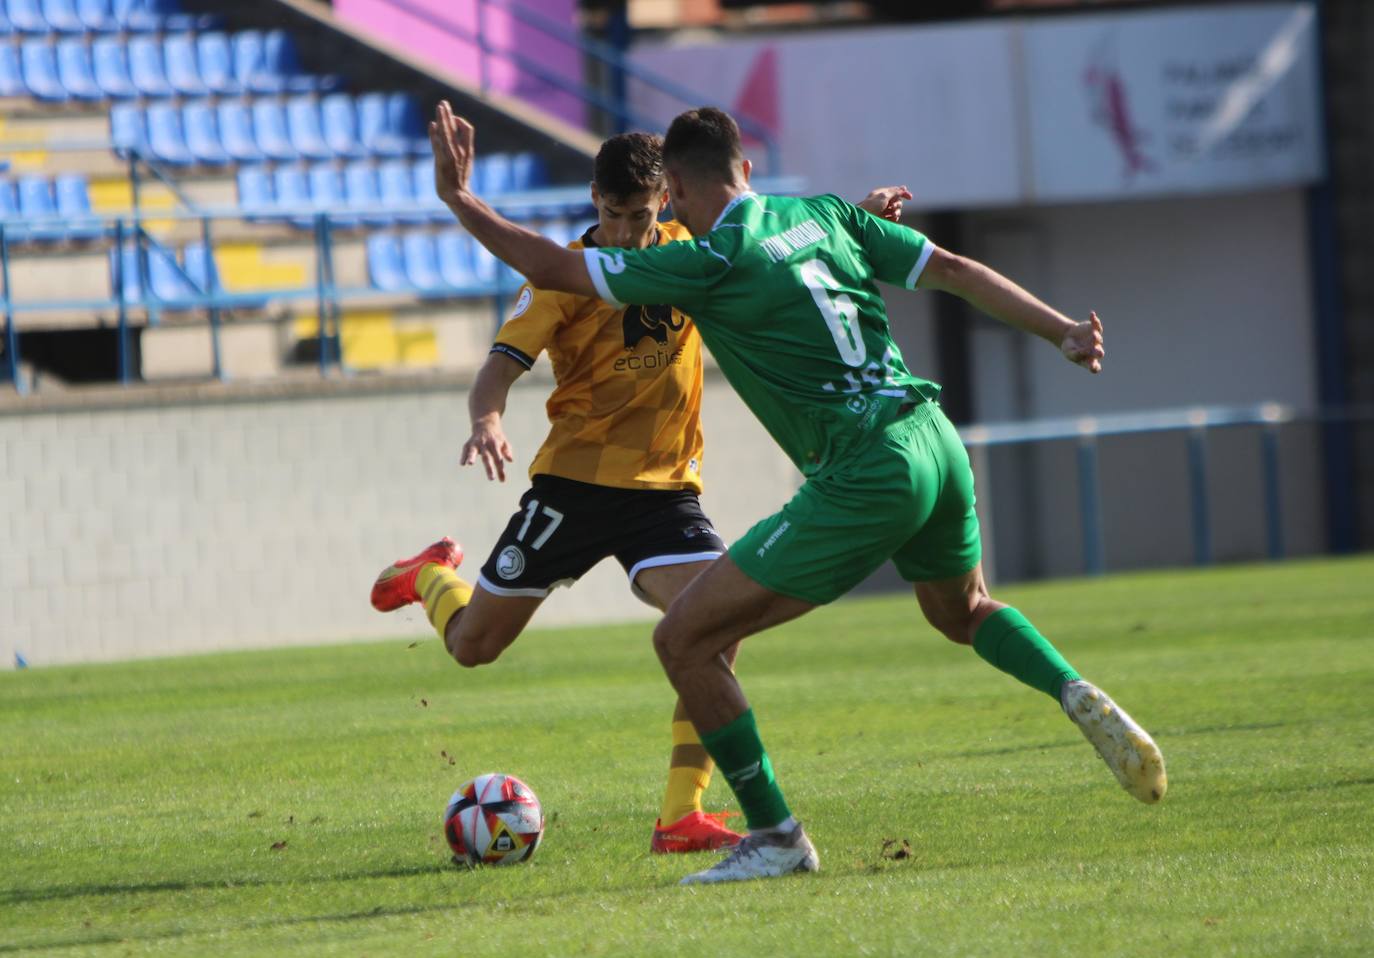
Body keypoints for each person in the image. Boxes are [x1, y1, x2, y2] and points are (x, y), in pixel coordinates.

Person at [425, 101, 1167, 886]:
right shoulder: (824, 214)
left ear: (672, 190)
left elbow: (550, 263)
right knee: (963, 609)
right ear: (745, 166)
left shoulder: (703, 260)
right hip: (934, 439)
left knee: (684, 640)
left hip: (855, 471)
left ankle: (771, 833)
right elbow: (950, 268)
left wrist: (459, 198)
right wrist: (1060, 330)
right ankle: (1070, 685)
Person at [370, 130, 911, 856]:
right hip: (574, 486)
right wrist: (486, 418)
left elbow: (781, 234)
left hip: (664, 494)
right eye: (614, 215)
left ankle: (681, 815)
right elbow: (501, 364)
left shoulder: (694, 253)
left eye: (641, 216)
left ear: (667, 201)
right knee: (474, 648)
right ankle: (429, 575)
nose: (626, 233)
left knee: (715, 628)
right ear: (596, 202)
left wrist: (860, 214)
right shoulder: (566, 276)